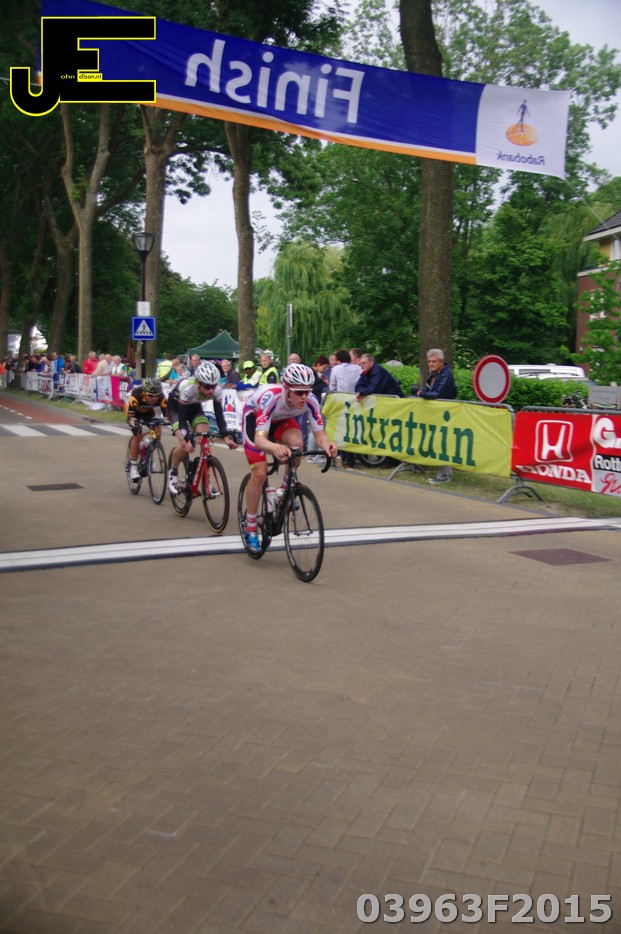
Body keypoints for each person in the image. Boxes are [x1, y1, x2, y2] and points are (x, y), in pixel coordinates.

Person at [240, 362, 339, 553]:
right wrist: (275, 446)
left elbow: (319, 434)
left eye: (307, 391)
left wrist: (327, 445)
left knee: (297, 445)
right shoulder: (271, 398)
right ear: (287, 389)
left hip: (281, 420)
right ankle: (250, 526)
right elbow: (260, 440)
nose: (304, 397)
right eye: (299, 392)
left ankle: (284, 492)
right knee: (260, 474)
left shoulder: (310, 401)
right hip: (255, 420)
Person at [166, 361, 237, 494]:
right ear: (198, 383)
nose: (211, 391)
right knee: (184, 443)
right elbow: (182, 421)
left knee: (205, 438)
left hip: (194, 406)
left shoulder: (217, 391)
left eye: (213, 386)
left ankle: (205, 480)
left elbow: (219, 416)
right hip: (177, 407)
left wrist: (226, 436)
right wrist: (186, 438)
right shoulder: (188, 388)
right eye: (207, 387)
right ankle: (173, 472)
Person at [412, 348, 458, 484]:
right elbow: (427, 390)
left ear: (441, 362)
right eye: (429, 362)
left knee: (441, 442)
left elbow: (437, 394)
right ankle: (444, 472)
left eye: (434, 361)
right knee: (436, 441)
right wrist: (422, 393)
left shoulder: (446, 374)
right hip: (435, 413)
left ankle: (445, 474)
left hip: (445, 414)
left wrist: (422, 394)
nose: (431, 364)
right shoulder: (433, 374)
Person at [124, 376, 168, 483]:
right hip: (133, 409)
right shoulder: (136, 395)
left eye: (156, 396)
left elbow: (168, 416)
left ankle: (147, 451)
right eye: (150, 396)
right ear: (145, 392)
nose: (154, 398)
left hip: (147, 410)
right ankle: (133, 467)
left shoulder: (161, 397)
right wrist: (135, 423)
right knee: (137, 433)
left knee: (157, 429)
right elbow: (131, 419)